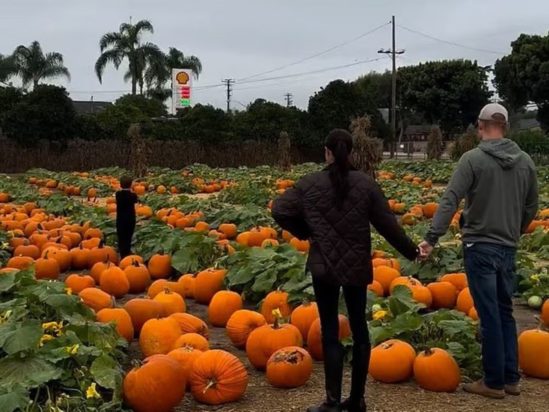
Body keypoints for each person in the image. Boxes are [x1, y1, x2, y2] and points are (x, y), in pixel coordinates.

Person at [272, 129, 419, 412]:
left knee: (330, 331)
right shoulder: (366, 184)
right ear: (350, 152)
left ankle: (331, 402)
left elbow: (279, 209)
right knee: (360, 328)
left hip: (324, 265)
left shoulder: (310, 183)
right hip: (356, 265)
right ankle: (357, 400)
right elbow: (388, 226)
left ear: (327, 152)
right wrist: (413, 252)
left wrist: (306, 231)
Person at [419, 103, 538, 399]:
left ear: (480, 125)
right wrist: (516, 229)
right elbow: (531, 205)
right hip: (508, 246)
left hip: (480, 245)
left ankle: (493, 382)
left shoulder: (472, 159)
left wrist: (432, 237)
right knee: (506, 310)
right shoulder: (525, 161)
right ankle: (510, 378)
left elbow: (450, 199)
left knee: (489, 314)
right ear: (505, 126)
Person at [116, 175, 138, 258]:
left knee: (121, 236)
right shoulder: (133, 195)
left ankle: (122, 253)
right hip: (130, 219)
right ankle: (127, 252)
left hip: (120, 219)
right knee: (128, 236)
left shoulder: (118, 194)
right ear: (131, 185)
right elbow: (136, 201)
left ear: (120, 184)